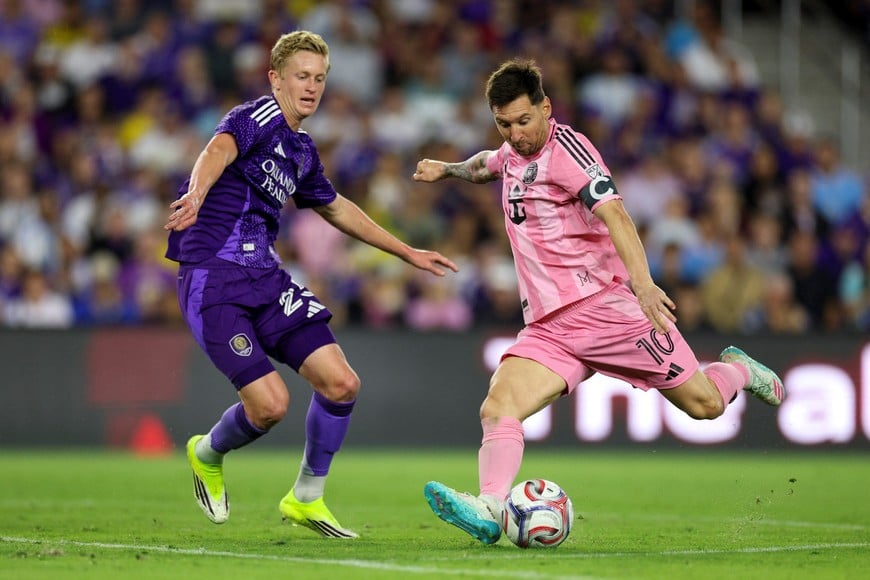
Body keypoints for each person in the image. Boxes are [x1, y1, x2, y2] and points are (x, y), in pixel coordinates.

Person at [412, 58, 784, 545]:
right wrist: (449, 170)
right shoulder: (512, 152)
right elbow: (487, 164)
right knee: (498, 406)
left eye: (523, 121)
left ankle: (738, 370)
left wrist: (643, 285)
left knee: (706, 405)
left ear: (546, 108)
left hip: (606, 310)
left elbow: (616, 215)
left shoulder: (569, 151)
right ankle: (490, 506)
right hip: (548, 327)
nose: (516, 134)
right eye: (504, 124)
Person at [163, 30, 456, 538]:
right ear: (275, 78)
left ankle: (306, 497)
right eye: (302, 76)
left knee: (342, 383)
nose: (312, 87)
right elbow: (218, 148)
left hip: (265, 276)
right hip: (214, 277)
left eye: (320, 78)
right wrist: (196, 192)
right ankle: (207, 452)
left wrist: (406, 251)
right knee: (270, 406)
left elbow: (337, 208)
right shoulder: (257, 116)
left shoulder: (301, 150)